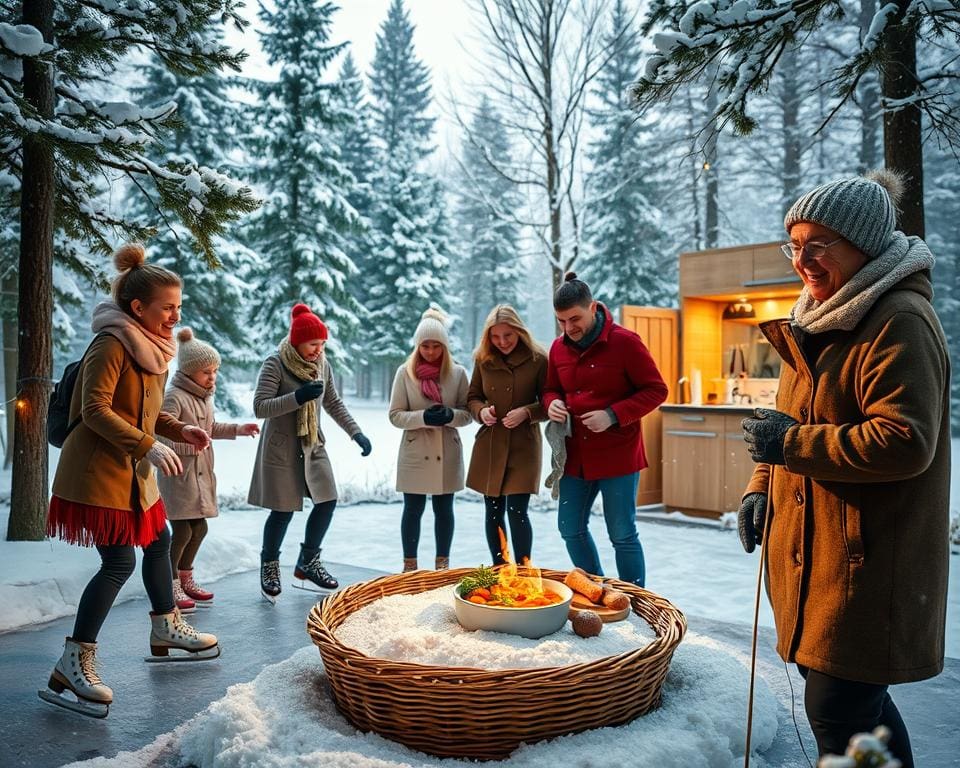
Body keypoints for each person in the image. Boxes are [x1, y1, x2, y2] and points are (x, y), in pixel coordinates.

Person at [738, 171, 949, 767]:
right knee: (852, 705)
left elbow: (906, 440)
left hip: (866, 560)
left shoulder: (898, 319)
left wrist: (793, 447)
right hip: (817, 554)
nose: (802, 260)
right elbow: (782, 426)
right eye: (794, 244)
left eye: (818, 244)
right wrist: (761, 487)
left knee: (838, 708)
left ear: (863, 244)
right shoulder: (814, 316)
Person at [40, 244, 219, 719]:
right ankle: (73, 661)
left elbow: (141, 411)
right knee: (118, 563)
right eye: (167, 308)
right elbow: (96, 410)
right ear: (138, 307)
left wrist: (179, 430)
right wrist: (147, 446)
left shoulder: (154, 349)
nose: (174, 316)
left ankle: (166, 627)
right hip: (98, 472)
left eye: (178, 307)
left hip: (133, 474)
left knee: (158, 541)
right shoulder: (112, 342)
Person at [543, 273, 667, 587]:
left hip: (619, 456)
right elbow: (549, 390)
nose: (569, 328)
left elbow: (656, 390)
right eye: (561, 321)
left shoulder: (625, 342)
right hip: (575, 457)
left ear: (594, 308)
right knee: (570, 528)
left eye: (575, 318)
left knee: (622, 534)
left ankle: (638, 601)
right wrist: (552, 403)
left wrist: (613, 415)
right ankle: (598, 591)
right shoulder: (557, 349)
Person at [248, 303, 372, 601]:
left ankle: (308, 562)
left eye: (322, 344)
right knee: (282, 511)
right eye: (313, 344)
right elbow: (260, 406)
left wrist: (356, 433)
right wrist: (297, 397)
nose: (318, 350)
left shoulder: (321, 365)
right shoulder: (275, 363)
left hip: (312, 443)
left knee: (327, 500)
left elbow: (333, 403)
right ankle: (270, 565)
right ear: (297, 341)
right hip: (281, 447)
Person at [157, 328, 260, 611]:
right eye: (206, 372)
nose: (212, 377)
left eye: (215, 371)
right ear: (189, 372)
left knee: (198, 529)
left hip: (201, 476)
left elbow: (210, 428)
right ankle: (169, 584)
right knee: (182, 532)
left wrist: (238, 429)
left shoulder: (205, 398)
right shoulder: (175, 396)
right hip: (178, 475)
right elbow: (161, 431)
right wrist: (192, 445)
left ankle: (185, 575)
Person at [389, 308, 471, 571]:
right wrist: (424, 417)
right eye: (425, 346)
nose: (431, 352)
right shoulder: (405, 373)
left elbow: (468, 414)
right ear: (417, 345)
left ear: (445, 347)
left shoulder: (457, 373)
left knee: (444, 510)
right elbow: (395, 415)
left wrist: (450, 415)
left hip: (446, 451)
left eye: (437, 346)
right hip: (416, 451)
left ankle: (442, 565)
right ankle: (409, 566)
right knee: (412, 509)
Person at [466, 305, 547, 566]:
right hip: (491, 444)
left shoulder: (538, 359)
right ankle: (500, 569)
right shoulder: (482, 359)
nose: (502, 342)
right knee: (492, 511)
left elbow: (550, 402)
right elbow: (472, 397)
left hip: (524, 446)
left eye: (508, 336)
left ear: (519, 332)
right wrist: (481, 412)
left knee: (517, 510)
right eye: (496, 337)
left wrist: (527, 412)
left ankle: (524, 572)